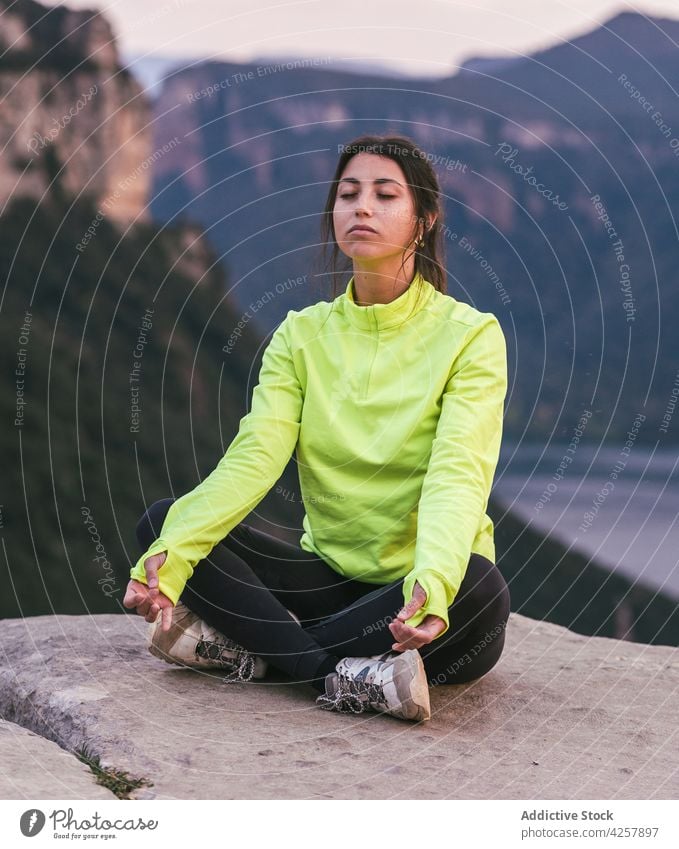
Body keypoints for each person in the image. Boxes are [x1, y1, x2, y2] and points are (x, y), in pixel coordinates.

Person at [124, 133, 510, 723]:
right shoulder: (301, 335)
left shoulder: (471, 336)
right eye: (348, 193)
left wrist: (431, 583)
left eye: (385, 195)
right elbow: (255, 457)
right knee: (165, 523)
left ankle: (257, 654)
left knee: (479, 586)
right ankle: (338, 677)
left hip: (407, 600)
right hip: (326, 579)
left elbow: (458, 473)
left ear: (424, 219)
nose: (362, 207)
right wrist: (172, 558)